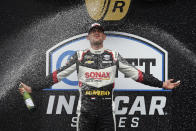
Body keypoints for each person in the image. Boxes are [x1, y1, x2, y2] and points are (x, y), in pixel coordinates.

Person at [19, 23, 180, 131]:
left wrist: (161, 84)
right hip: (85, 115)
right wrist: (32, 88)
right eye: (92, 31)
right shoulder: (79, 56)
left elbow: (137, 75)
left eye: (100, 31)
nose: (96, 32)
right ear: (87, 37)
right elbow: (56, 77)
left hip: (107, 115)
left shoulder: (114, 56)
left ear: (104, 37)